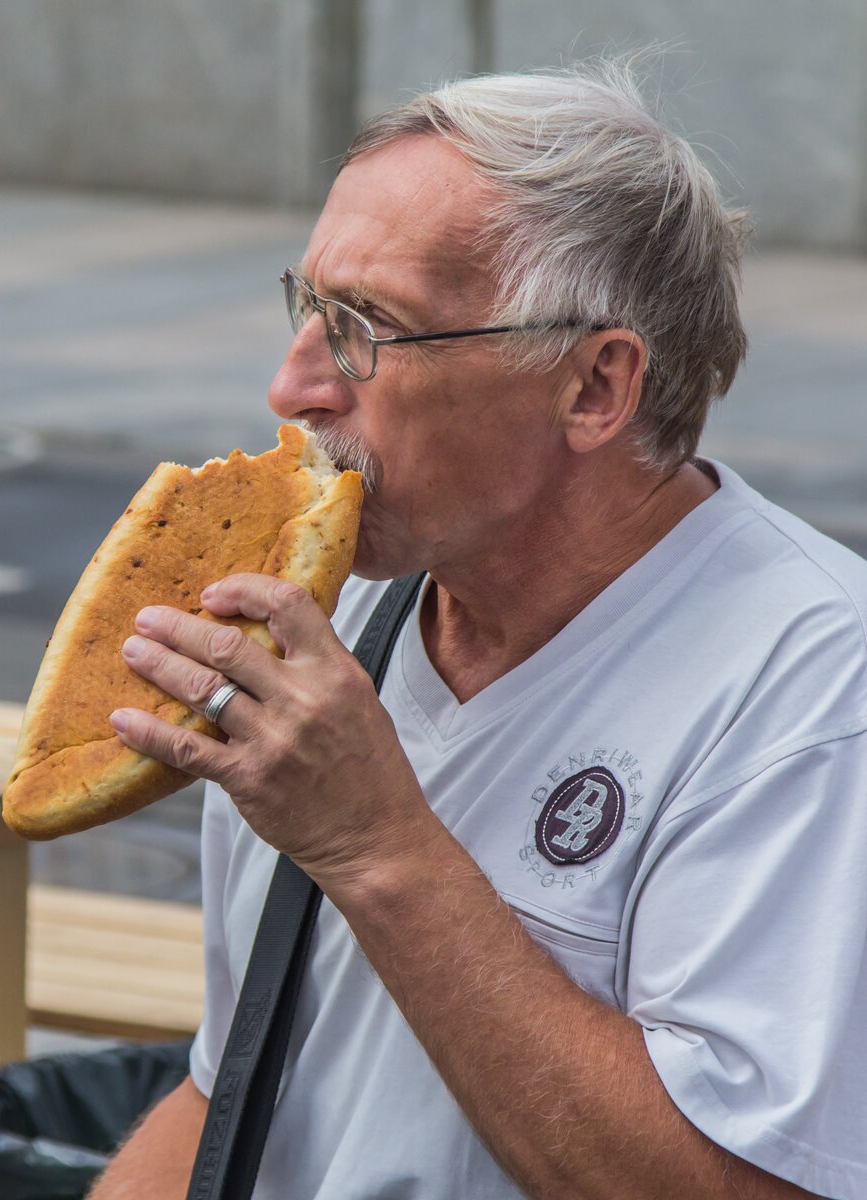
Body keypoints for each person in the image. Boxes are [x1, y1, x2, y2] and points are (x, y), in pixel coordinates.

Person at [90, 60, 867, 1199]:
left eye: (366, 328)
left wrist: (376, 843)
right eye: (309, 308)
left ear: (595, 387)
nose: (292, 384)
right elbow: (241, 1091)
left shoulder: (810, 688)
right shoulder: (325, 624)